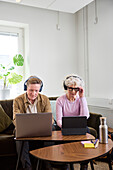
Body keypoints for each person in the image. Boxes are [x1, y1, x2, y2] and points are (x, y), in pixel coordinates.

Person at [13, 76, 54, 170]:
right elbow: (16, 119)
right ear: (26, 88)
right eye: (31, 90)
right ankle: (27, 167)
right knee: (17, 131)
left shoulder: (45, 99)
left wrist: (45, 125)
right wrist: (24, 127)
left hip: (41, 129)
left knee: (52, 129)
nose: (33, 93)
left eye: (36, 90)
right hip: (25, 129)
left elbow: (50, 118)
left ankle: (47, 166)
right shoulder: (17, 100)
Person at [56, 74, 89, 170]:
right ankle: (66, 164)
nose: (73, 92)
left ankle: (84, 165)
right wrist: (65, 127)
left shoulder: (80, 99)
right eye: (71, 89)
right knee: (61, 134)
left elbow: (85, 116)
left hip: (78, 127)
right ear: (66, 88)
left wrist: (82, 97)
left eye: (76, 89)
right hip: (64, 127)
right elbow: (59, 119)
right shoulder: (60, 100)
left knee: (87, 131)